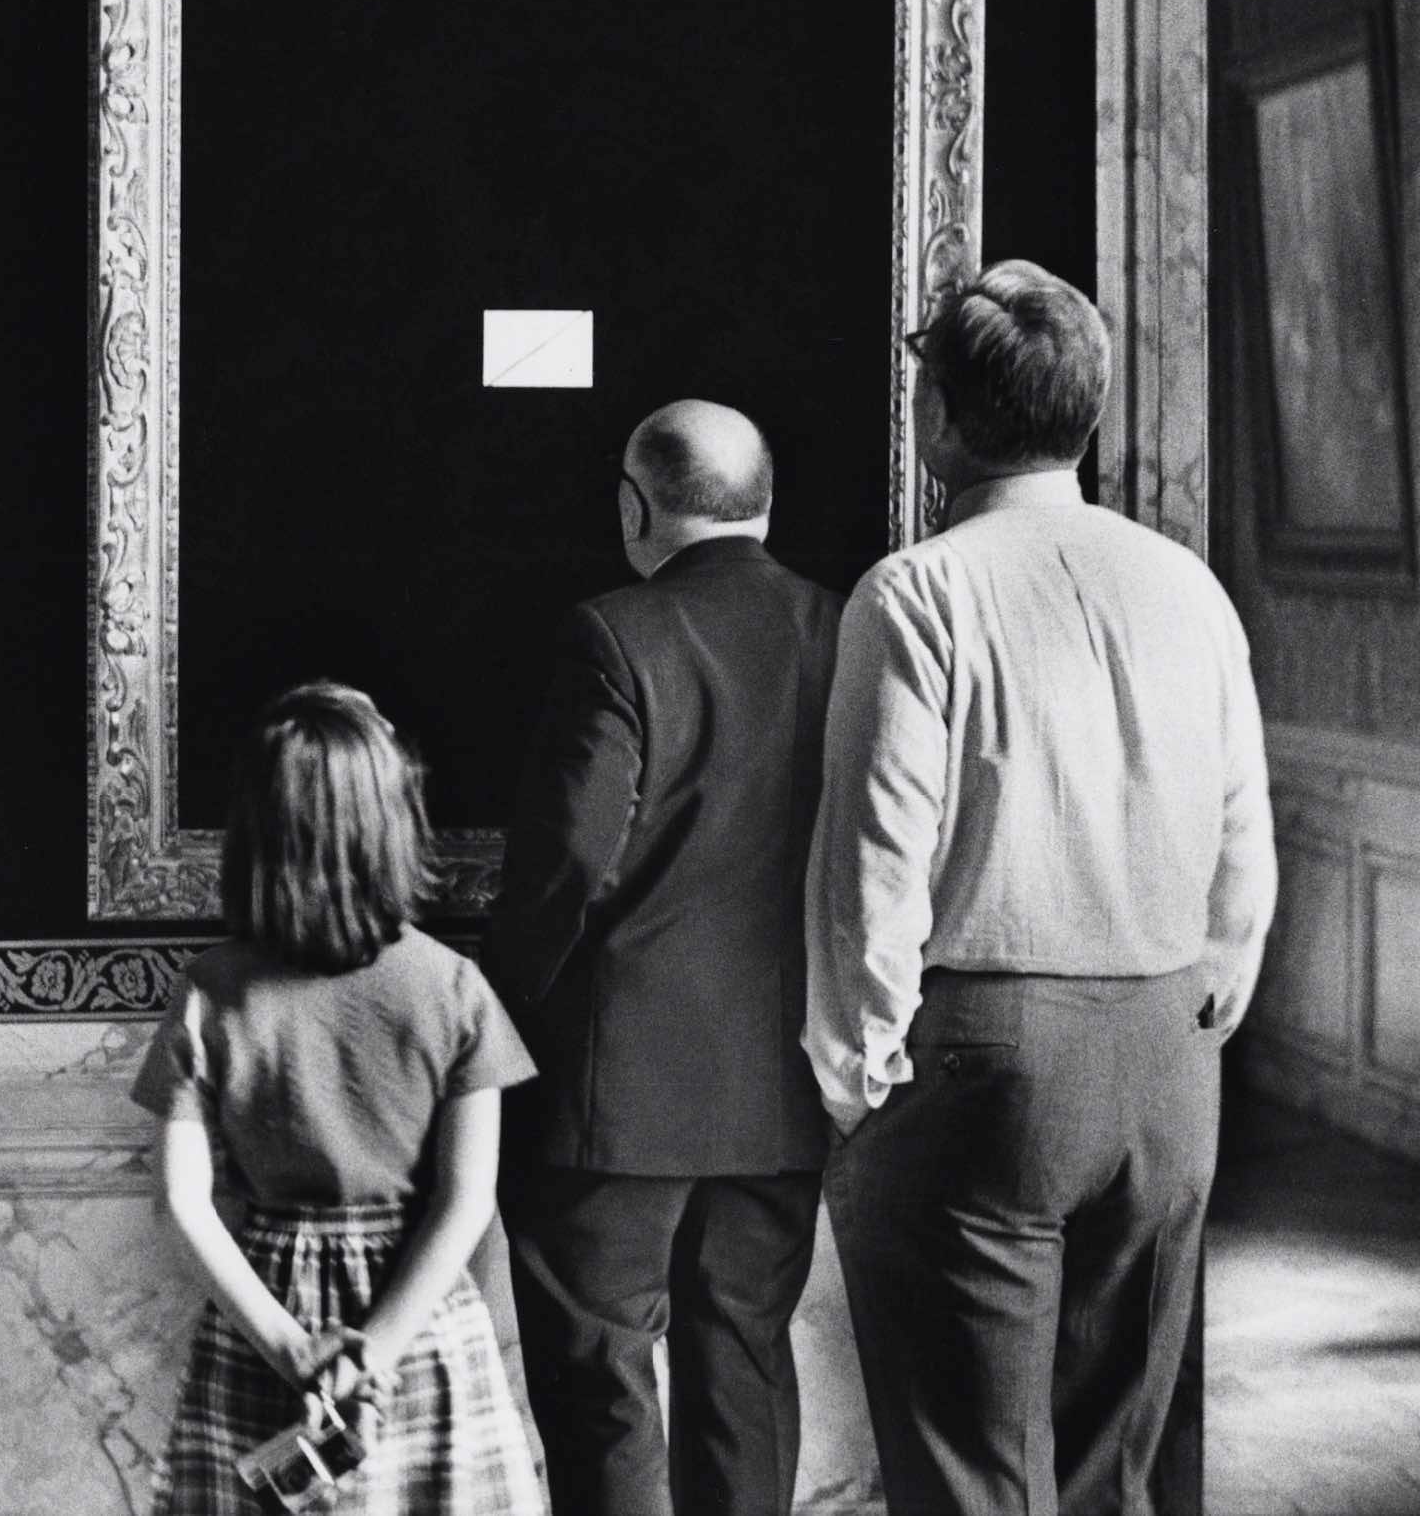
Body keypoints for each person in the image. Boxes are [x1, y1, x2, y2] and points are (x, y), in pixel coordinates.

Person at [802, 260, 1276, 1516]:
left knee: (971, 1472)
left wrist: (855, 1079)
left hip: (985, 1062)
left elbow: (876, 862)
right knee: (1113, 1470)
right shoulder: (1188, 584)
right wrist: (1209, 995)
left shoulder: (918, 591)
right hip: (1171, 1053)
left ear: (942, 415)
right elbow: (1244, 831)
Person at [483, 399, 841, 1516]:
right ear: (764, 500)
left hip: (615, 1098)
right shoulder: (840, 625)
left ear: (634, 506)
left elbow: (568, 862)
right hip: (781, 1087)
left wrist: (496, 1010)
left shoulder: (614, 634)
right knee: (746, 1372)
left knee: (605, 1393)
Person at [133, 682, 547, 1515]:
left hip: (265, 1325)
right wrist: (374, 1356)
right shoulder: (454, 989)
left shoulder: (209, 991)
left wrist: (296, 1351)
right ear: (391, 820)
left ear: (256, 833)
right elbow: (466, 1202)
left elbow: (182, 1201)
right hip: (416, 1326)